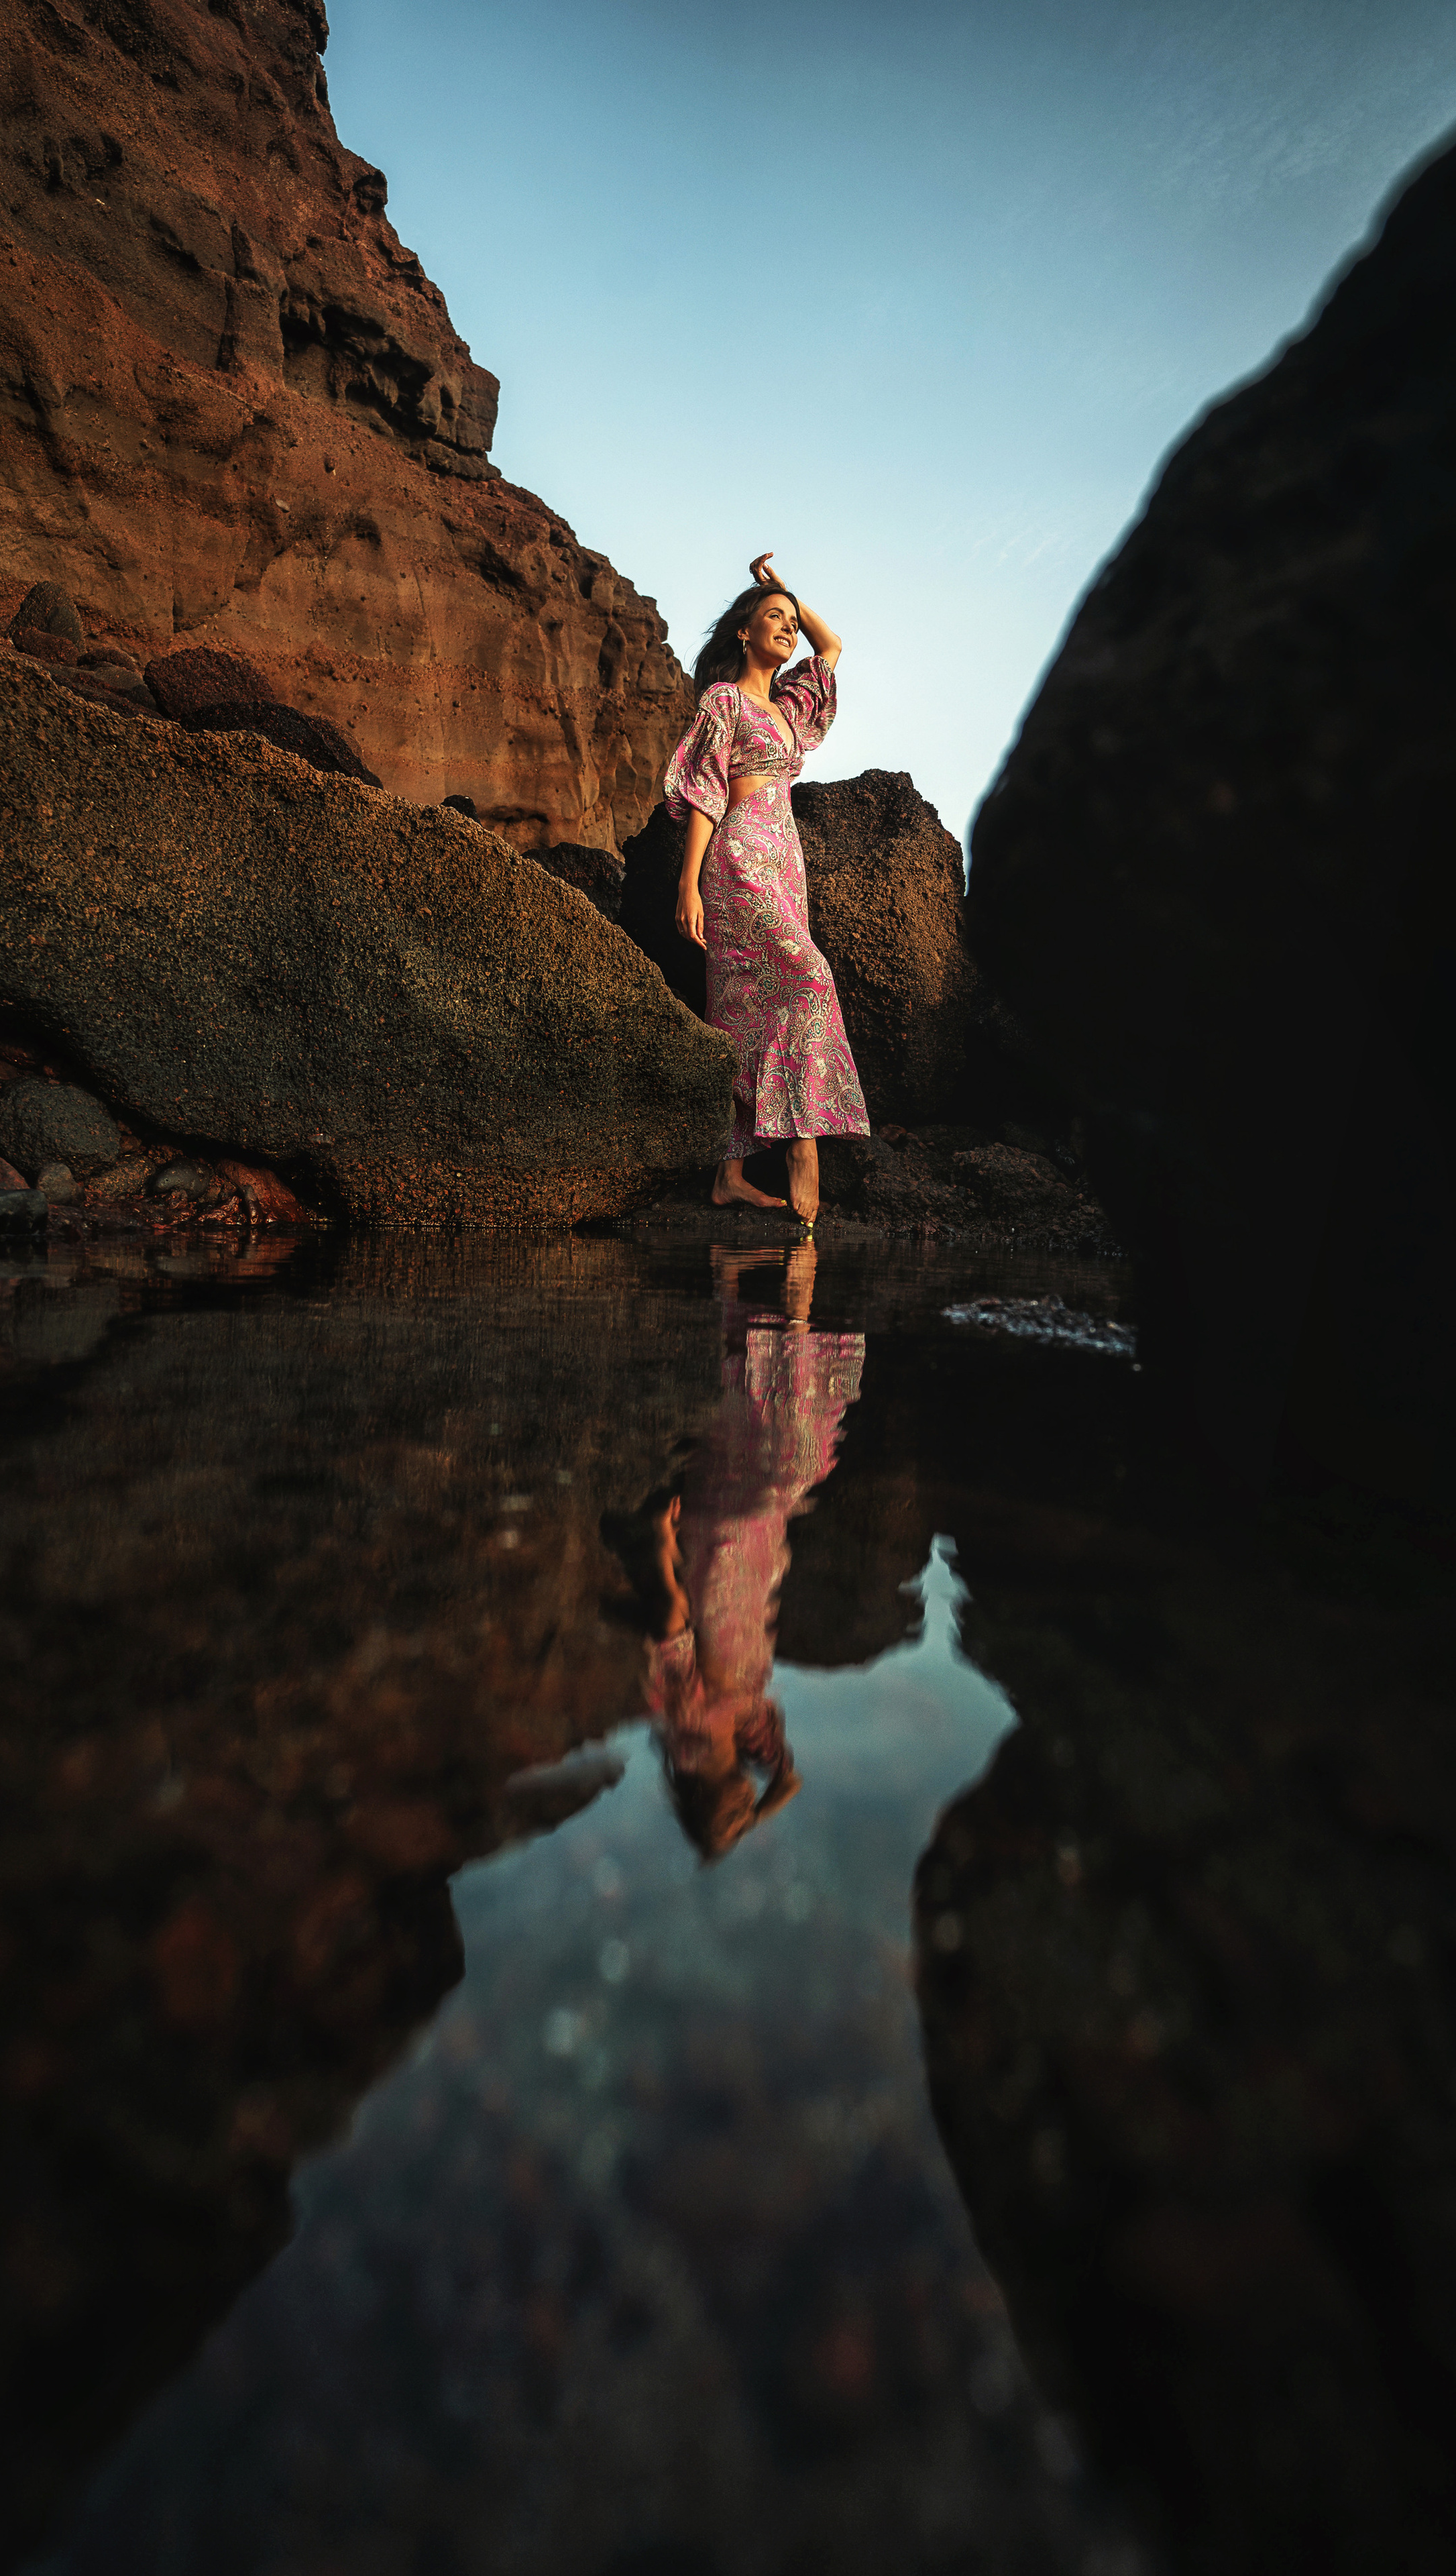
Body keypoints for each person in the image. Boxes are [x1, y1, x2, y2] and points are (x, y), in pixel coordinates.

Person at [601, 1242, 865, 1862]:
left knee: (773, 1463)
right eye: (743, 1826)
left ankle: (753, 1319)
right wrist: (764, 1806)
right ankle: (765, 1324)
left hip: (717, 1571)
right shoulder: (750, 1736)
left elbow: (673, 1633)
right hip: (753, 1571)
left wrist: (664, 1546)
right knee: (780, 1463)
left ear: (696, 1801)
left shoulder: (692, 1733)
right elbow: (790, 1780)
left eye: (727, 1824)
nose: (740, 1819)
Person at [664, 553, 869, 1228]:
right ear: (742, 637)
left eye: (789, 622)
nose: (786, 628)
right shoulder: (724, 701)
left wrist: (781, 591)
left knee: (742, 1010)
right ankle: (802, 1149)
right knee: (810, 978)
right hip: (741, 859)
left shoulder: (789, 708)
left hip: (787, 864)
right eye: (772, 621)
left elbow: (832, 644)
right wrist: (689, 885)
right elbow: (704, 791)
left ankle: (727, 1175)